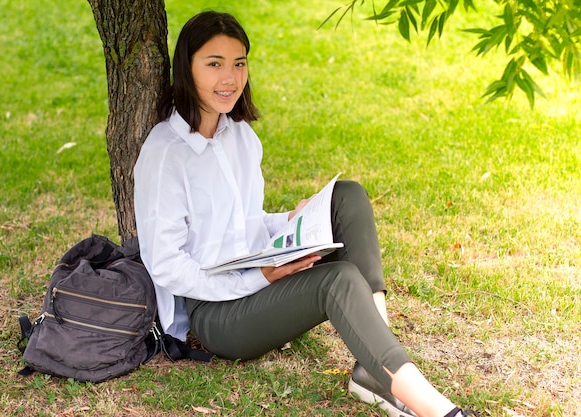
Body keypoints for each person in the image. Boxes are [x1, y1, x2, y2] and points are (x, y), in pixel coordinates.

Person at [134, 11, 480, 417]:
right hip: (211, 316)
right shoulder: (165, 154)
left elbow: (244, 224)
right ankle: (439, 411)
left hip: (254, 280)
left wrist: (292, 222)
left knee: (346, 197)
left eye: (239, 63)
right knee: (337, 280)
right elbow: (166, 265)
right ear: (186, 68)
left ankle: (374, 371)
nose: (229, 78)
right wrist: (258, 278)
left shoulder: (240, 137)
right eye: (214, 64)